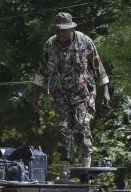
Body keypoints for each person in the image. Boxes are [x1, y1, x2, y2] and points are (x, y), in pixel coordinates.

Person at [32, 12, 110, 168]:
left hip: (82, 93)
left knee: (82, 126)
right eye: (58, 30)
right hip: (60, 94)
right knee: (63, 130)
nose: (61, 33)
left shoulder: (85, 41)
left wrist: (105, 91)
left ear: (71, 29)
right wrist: (34, 95)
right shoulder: (50, 45)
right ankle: (65, 166)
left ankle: (85, 164)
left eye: (65, 30)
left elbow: (97, 66)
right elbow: (41, 71)